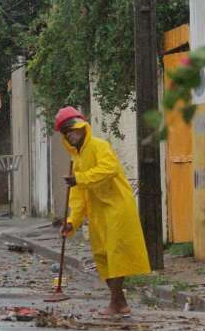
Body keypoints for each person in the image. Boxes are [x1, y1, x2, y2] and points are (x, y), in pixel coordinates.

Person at [54, 106, 150, 317]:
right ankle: (119, 302)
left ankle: (116, 302)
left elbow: (109, 169)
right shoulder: (77, 161)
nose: (71, 135)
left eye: (73, 129)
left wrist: (80, 178)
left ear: (83, 128)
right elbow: (78, 197)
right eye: (66, 132)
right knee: (101, 256)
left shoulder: (99, 146)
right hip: (98, 212)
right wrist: (72, 221)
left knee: (115, 255)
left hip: (116, 207)